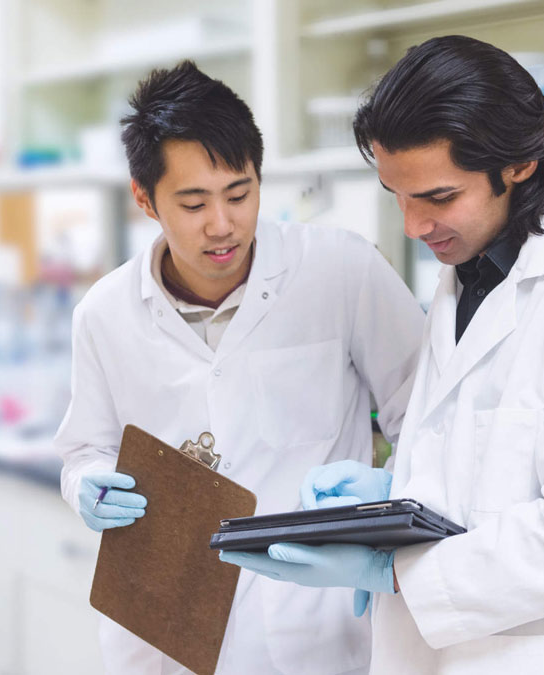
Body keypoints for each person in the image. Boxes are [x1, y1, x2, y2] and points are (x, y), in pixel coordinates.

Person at [221, 36, 544, 674]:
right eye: (398, 195)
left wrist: (394, 570)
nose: (413, 226)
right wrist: (395, 495)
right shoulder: (470, 277)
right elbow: (484, 474)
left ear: (518, 165)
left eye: (438, 198)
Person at [54, 61, 425, 674]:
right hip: (162, 631)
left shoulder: (342, 271)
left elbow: (429, 413)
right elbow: (84, 450)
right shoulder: (104, 313)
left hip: (315, 629)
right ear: (145, 199)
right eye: (194, 202)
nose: (223, 225)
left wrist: (394, 501)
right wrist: (86, 485)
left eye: (240, 193)